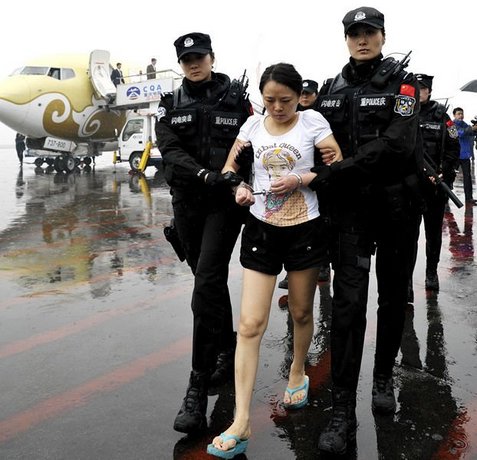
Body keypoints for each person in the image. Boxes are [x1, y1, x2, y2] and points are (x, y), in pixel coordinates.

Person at [207, 63, 342, 459]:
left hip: (305, 229)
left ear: (299, 96)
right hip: (261, 230)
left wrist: (303, 178)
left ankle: (297, 371)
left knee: (300, 312)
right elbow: (229, 168)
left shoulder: (313, 122)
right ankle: (241, 421)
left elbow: (336, 163)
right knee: (250, 324)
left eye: (286, 100)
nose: (278, 107)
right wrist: (238, 187)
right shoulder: (252, 126)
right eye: (270, 100)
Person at [310, 7, 422, 455]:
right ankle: (341, 410)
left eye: (369, 33)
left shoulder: (404, 85)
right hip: (349, 213)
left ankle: (382, 378)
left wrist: (341, 170)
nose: (362, 40)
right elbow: (314, 142)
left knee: (392, 298)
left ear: (382, 36)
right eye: (354, 33)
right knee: (347, 306)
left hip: (396, 208)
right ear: (346, 39)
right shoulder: (330, 89)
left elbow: (398, 144)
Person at [155, 32, 253, 435]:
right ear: (180, 64)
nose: (194, 64)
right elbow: (170, 150)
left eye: (199, 56)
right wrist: (203, 174)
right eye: (187, 59)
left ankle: (195, 388)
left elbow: (252, 144)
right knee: (207, 281)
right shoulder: (169, 104)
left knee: (207, 281)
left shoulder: (237, 99)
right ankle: (227, 348)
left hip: (224, 205)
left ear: (212, 57)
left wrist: (240, 182)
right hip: (188, 203)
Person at [407, 74, 460, 297]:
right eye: (416, 88)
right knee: (408, 236)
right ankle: (406, 281)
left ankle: (431, 273)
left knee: (433, 234)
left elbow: (453, 148)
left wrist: (442, 173)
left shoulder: (442, 116)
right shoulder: (404, 113)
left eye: (423, 88)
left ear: (429, 91)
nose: (419, 92)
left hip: (434, 186)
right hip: (410, 187)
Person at [277, 77, 331, 289]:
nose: (305, 98)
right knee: (292, 227)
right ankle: (292, 271)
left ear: (316, 95)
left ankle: (323, 265)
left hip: (319, 179)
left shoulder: (321, 116)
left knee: (319, 224)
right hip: (293, 182)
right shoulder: (290, 115)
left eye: (309, 94)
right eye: (302, 94)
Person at [453, 107, 477, 205]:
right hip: (454, 155)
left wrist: (475, 129)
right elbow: (458, 134)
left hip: (465, 156)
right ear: (454, 115)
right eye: (458, 114)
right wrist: (471, 129)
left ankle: (469, 198)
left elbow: (471, 134)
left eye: (462, 114)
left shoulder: (465, 124)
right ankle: (444, 196)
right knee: (448, 176)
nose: (461, 115)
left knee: (467, 177)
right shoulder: (450, 124)